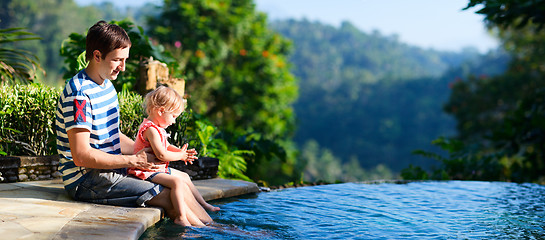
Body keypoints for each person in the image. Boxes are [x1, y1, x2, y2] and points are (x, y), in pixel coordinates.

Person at [55, 20, 212, 226]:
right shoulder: (79, 95)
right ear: (96, 55)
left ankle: (217, 228)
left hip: (111, 170)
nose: (123, 67)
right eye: (117, 60)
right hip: (87, 181)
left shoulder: (106, 87)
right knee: (170, 197)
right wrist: (133, 161)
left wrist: (149, 152)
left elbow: (111, 135)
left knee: (181, 180)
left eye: (125, 59)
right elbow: (82, 156)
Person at [128, 85, 220, 226]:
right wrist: (181, 157)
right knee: (177, 182)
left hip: (155, 169)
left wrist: (180, 152)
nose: (174, 121)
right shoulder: (151, 129)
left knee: (184, 177)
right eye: (174, 116)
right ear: (161, 111)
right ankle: (181, 216)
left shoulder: (157, 127)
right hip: (146, 171)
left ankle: (204, 205)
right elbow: (162, 154)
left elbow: (165, 146)